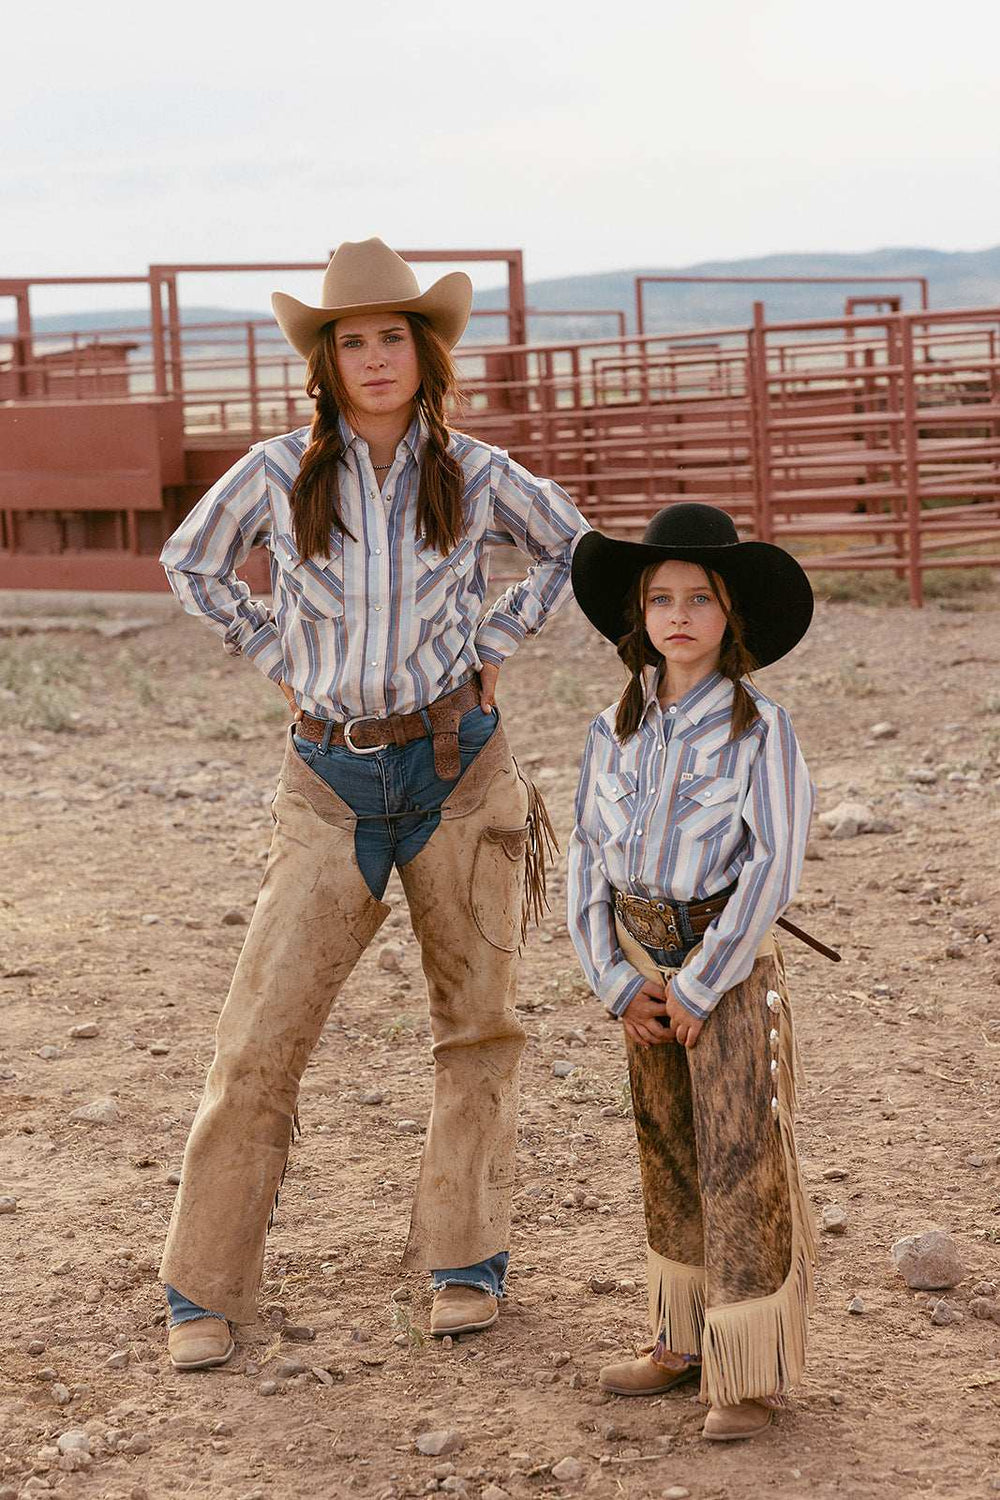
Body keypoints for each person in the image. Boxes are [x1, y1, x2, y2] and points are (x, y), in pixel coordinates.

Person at [156, 237, 587, 1371]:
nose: (376, 357)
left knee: (478, 1025)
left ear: (424, 352)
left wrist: (493, 640)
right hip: (328, 782)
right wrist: (275, 653)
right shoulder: (272, 473)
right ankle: (202, 1289)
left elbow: (572, 547)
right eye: (354, 340)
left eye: (393, 336)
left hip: (459, 773)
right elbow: (190, 566)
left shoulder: (481, 472)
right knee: (259, 1039)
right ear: (328, 360)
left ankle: (464, 1265)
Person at [567, 502, 826, 1441]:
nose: (680, 616)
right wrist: (614, 979)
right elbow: (587, 857)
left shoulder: (762, 732)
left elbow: (772, 865)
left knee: (739, 1153)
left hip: (723, 969)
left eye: (701, 600)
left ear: (730, 618)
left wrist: (702, 984)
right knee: (665, 1148)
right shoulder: (614, 730)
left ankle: (747, 1368)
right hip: (641, 969)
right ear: (640, 616)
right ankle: (678, 1339)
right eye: (662, 599)